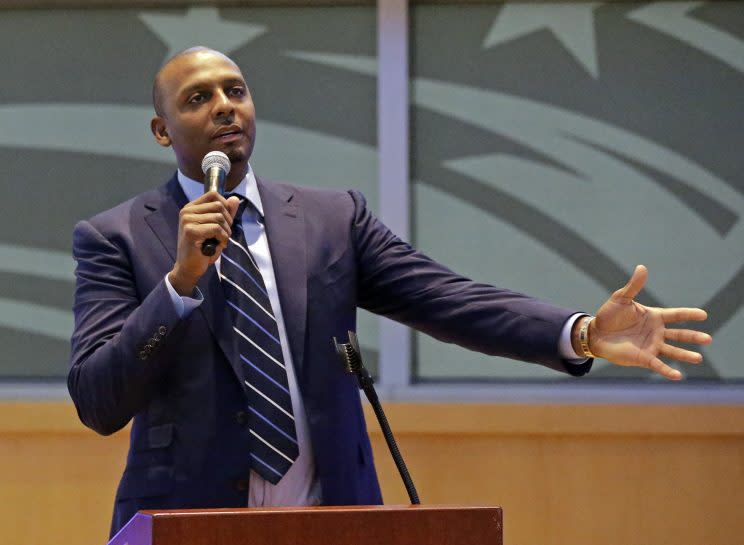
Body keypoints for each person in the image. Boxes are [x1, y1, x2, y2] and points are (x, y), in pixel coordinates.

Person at [67, 47, 711, 536]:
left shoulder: (329, 220)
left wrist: (581, 333)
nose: (224, 107)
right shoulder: (116, 237)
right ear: (162, 131)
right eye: (198, 99)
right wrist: (179, 284)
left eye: (235, 91)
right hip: (190, 522)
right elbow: (98, 399)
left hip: (335, 515)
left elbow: (447, 298)